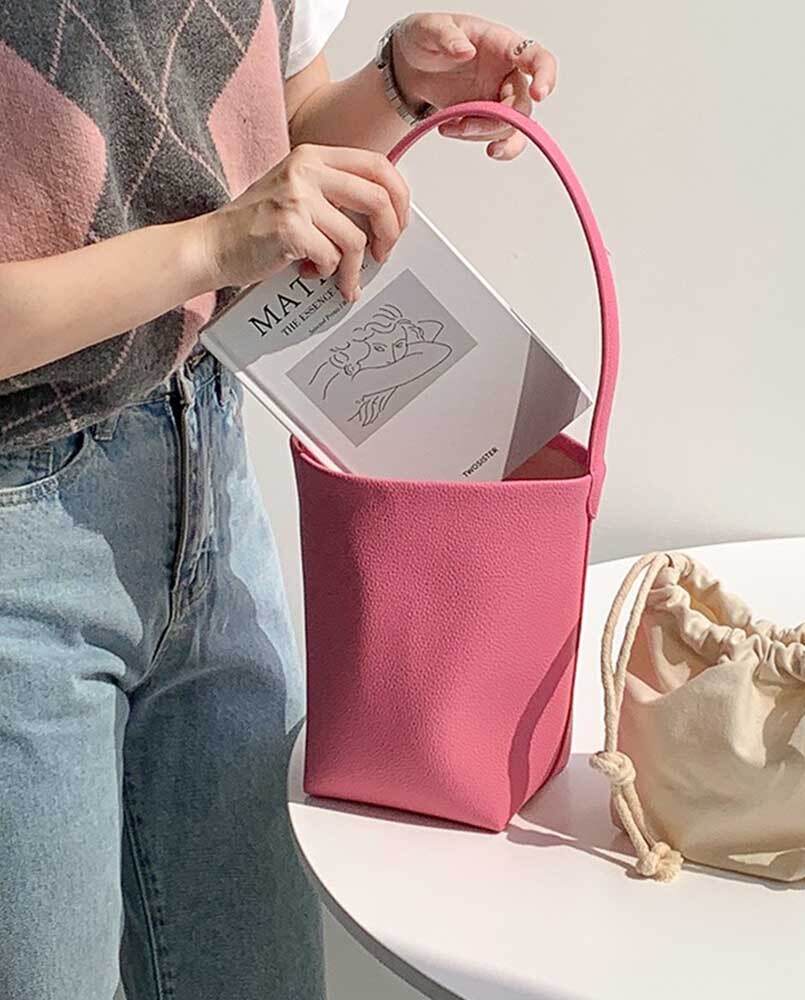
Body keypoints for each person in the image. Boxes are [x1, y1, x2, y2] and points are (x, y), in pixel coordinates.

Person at [0, 5, 557, 998]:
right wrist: (213, 246)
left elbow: (274, 136)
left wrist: (397, 88)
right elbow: (232, 226)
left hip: (211, 476)